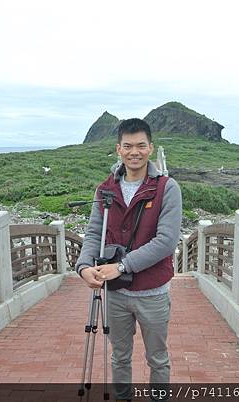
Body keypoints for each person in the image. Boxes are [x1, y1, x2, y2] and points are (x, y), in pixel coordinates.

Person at [75, 118, 182, 401]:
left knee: (157, 359)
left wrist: (122, 266)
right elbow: (93, 233)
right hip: (116, 292)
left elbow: (166, 241)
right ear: (118, 149)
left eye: (141, 146)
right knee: (119, 357)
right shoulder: (105, 189)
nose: (135, 152)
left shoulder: (166, 188)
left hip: (153, 292)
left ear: (150, 148)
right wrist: (83, 266)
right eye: (128, 146)